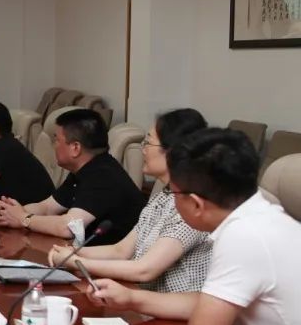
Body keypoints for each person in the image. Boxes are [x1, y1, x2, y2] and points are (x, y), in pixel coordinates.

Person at [87, 128, 301, 325]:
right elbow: (209, 301)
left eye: (174, 195)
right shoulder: (261, 217)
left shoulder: (243, 235)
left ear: (196, 204)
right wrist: (131, 298)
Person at [48, 108, 211, 293]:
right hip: (141, 297)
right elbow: (121, 251)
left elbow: (144, 270)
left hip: (169, 306)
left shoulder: (193, 207)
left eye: (148, 142)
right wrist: (72, 252)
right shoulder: (163, 197)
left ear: (172, 152)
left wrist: (77, 261)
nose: (143, 149)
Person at [0, 108, 146, 245]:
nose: (53, 145)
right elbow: (48, 207)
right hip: (85, 254)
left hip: (112, 262)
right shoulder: (85, 169)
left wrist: (23, 218)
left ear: (75, 148)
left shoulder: (104, 176)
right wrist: (9, 212)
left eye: (56, 140)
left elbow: (69, 227)